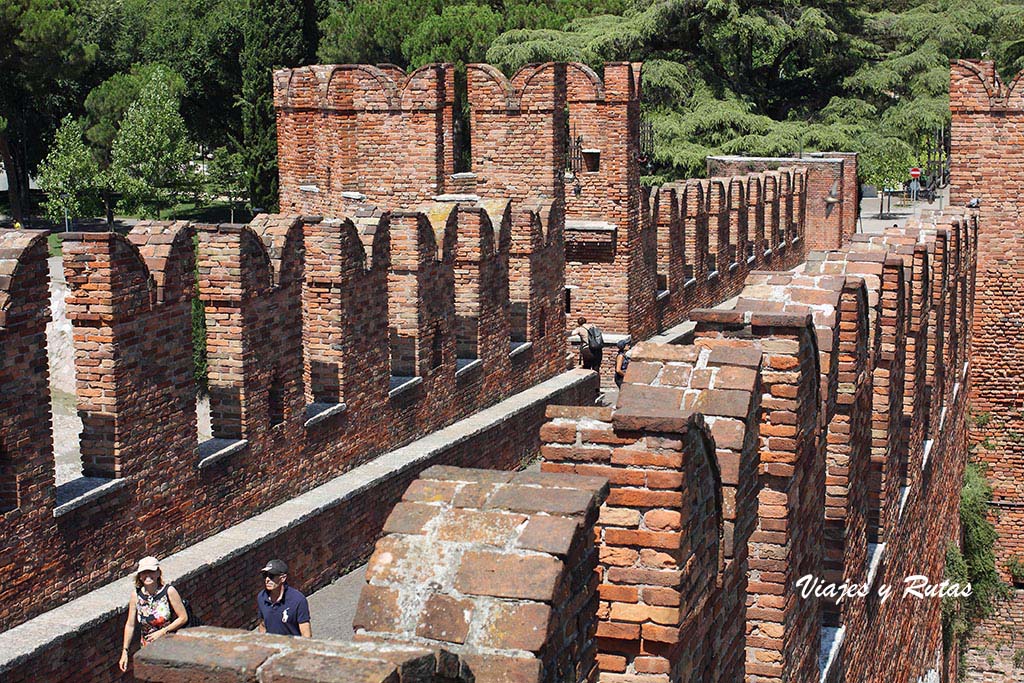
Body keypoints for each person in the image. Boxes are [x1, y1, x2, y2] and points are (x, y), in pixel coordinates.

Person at [118, 556, 188, 672]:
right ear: (140, 576)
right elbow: (130, 625)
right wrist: (125, 651)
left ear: (158, 573)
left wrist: (162, 631)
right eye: (144, 573)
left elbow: (183, 617)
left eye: (151, 572)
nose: (147, 575)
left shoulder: (168, 591)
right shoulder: (136, 596)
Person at [257, 559, 311, 637]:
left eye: (271, 576)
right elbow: (263, 625)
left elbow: (306, 634)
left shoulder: (298, 600)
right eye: (265, 576)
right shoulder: (262, 597)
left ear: (283, 578)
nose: (267, 580)